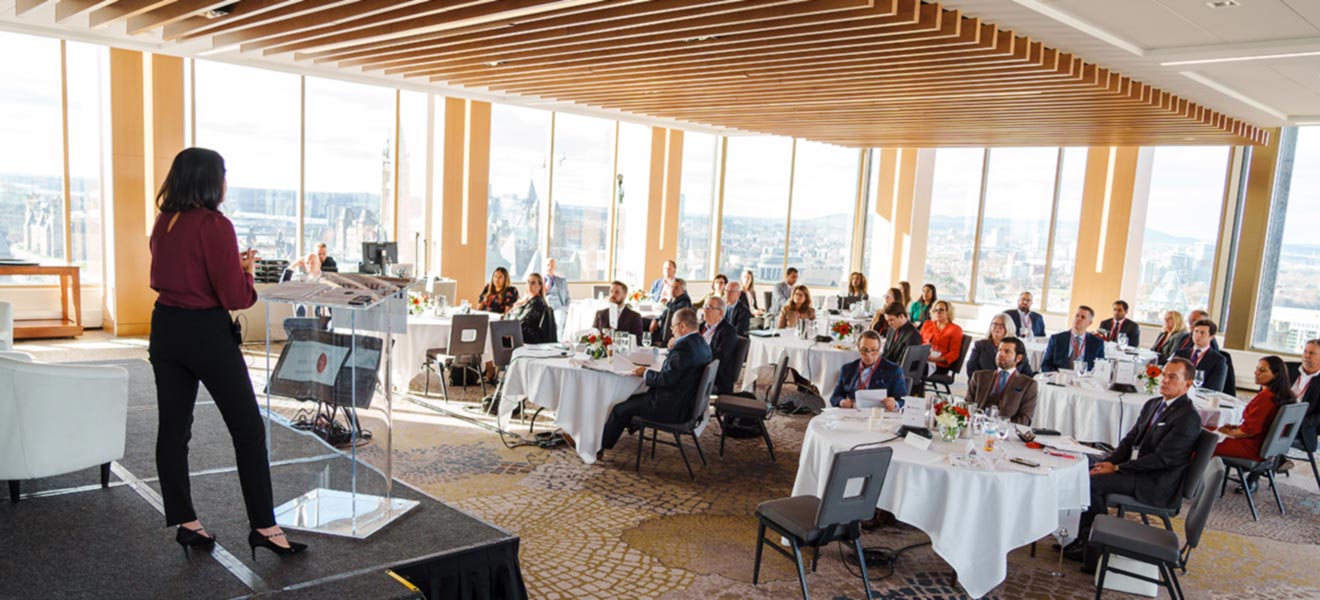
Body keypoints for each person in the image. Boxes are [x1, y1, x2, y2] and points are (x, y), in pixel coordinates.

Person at [147, 148, 305, 558]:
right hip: (205, 334)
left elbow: (176, 273)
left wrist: (226, 266)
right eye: (223, 174)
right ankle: (264, 527)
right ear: (209, 180)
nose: (226, 183)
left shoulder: (165, 221)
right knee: (248, 431)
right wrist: (246, 273)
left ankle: (187, 523)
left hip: (165, 328)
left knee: (174, 431)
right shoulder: (215, 224)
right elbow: (236, 297)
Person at [1065, 357, 1204, 562]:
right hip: (1139, 469)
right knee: (1084, 467)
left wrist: (1117, 468)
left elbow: (1161, 460)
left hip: (1156, 481)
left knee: (1093, 484)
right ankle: (1078, 536)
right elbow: (1130, 440)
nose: (1165, 380)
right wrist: (1110, 462)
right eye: (1164, 375)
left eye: (1173, 377)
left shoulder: (1188, 417)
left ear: (1188, 384)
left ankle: (1092, 548)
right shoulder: (1154, 404)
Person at [600, 308, 712, 454]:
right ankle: (631, 425)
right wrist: (673, 349)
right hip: (687, 402)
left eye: (673, 327)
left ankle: (600, 447)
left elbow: (666, 379)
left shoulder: (684, 349)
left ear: (682, 326)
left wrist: (645, 372)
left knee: (619, 407)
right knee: (632, 397)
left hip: (672, 407)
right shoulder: (701, 343)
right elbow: (679, 371)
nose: (672, 331)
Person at [1214, 357, 1293, 492]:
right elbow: (1261, 425)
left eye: (1262, 370)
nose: (1256, 372)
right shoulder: (1282, 395)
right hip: (1265, 448)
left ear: (1276, 375)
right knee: (1207, 431)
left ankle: (1192, 481)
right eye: (1257, 369)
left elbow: (1248, 431)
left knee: (1203, 440)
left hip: (1252, 447)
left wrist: (1228, 433)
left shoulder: (1266, 398)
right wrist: (1235, 428)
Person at [965, 337, 1037, 424]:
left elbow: (1025, 419)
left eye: (1007, 351)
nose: (1001, 354)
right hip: (977, 425)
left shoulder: (1028, 384)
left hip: (1005, 429)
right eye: (999, 350)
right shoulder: (979, 376)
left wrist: (999, 425)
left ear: (1018, 358)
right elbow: (967, 406)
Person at [830, 330, 907, 410]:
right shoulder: (847, 369)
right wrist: (842, 402)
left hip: (878, 413)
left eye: (874, 350)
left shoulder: (893, 370)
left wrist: (895, 404)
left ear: (879, 349)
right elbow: (835, 397)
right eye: (864, 350)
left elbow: (902, 400)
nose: (868, 354)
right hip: (852, 412)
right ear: (858, 348)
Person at [1287, 339, 1320, 474]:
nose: (1306, 356)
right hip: (1276, 415)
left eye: (1312, 353)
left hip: (1302, 427)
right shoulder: (1287, 368)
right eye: (1305, 351)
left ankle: (1253, 476)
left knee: (1270, 433)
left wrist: (1296, 422)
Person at [1039, 305, 1105, 372]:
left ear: (1089, 323)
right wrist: (1057, 375)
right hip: (1060, 376)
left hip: (1084, 377)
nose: (1078, 319)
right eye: (1077, 315)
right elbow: (1045, 365)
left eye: (1083, 317)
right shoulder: (1056, 339)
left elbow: (1101, 368)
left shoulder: (1097, 343)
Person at [700, 296, 740, 395]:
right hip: (697, 370)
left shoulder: (729, 332)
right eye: (705, 306)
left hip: (715, 378)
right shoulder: (700, 327)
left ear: (721, 313)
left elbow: (719, 358)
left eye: (709, 307)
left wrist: (696, 355)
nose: (705, 310)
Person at [1175, 319, 1228, 393]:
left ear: (1211, 337)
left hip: (1200, 396)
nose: (1198, 335)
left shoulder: (1218, 360)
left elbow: (1215, 388)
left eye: (1202, 333)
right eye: (1196, 331)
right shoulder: (1180, 354)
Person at [507, 273, 557, 344]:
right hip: (518, 333)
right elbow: (508, 315)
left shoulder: (537, 302)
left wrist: (508, 329)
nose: (529, 285)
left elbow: (523, 322)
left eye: (533, 283)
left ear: (540, 286)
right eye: (528, 282)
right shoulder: (524, 301)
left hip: (528, 337)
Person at [920, 300, 963, 375]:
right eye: (935, 310)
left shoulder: (955, 329)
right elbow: (918, 341)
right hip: (923, 358)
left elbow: (954, 353)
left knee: (915, 368)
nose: (938, 312)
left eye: (941, 310)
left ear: (948, 312)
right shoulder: (927, 324)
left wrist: (935, 359)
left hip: (939, 364)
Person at [649, 278, 691, 346]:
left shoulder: (684, 301)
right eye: (672, 287)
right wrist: (655, 320)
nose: (672, 290)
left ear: (683, 290)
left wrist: (667, 304)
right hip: (662, 326)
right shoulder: (674, 300)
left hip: (668, 332)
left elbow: (676, 311)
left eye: (676, 288)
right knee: (642, 320)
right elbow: (664, 314)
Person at [880, 301, 922, 365]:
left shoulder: (913, 336)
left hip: (897, 369)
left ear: (901, 316)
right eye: (887, 321)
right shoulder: (891, 329)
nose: (889, 324)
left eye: (891, 320)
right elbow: (885, 351)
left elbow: (903, 363)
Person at [543, 258, 570, 324]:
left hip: (559, 308)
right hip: (546, 308)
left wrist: (567, 308)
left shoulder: (562, 281)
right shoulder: (540, 281)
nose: (550, 267)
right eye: (548, 265)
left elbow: (567, 297)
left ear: (555, 267)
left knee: (559, 319)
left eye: (552, 265)